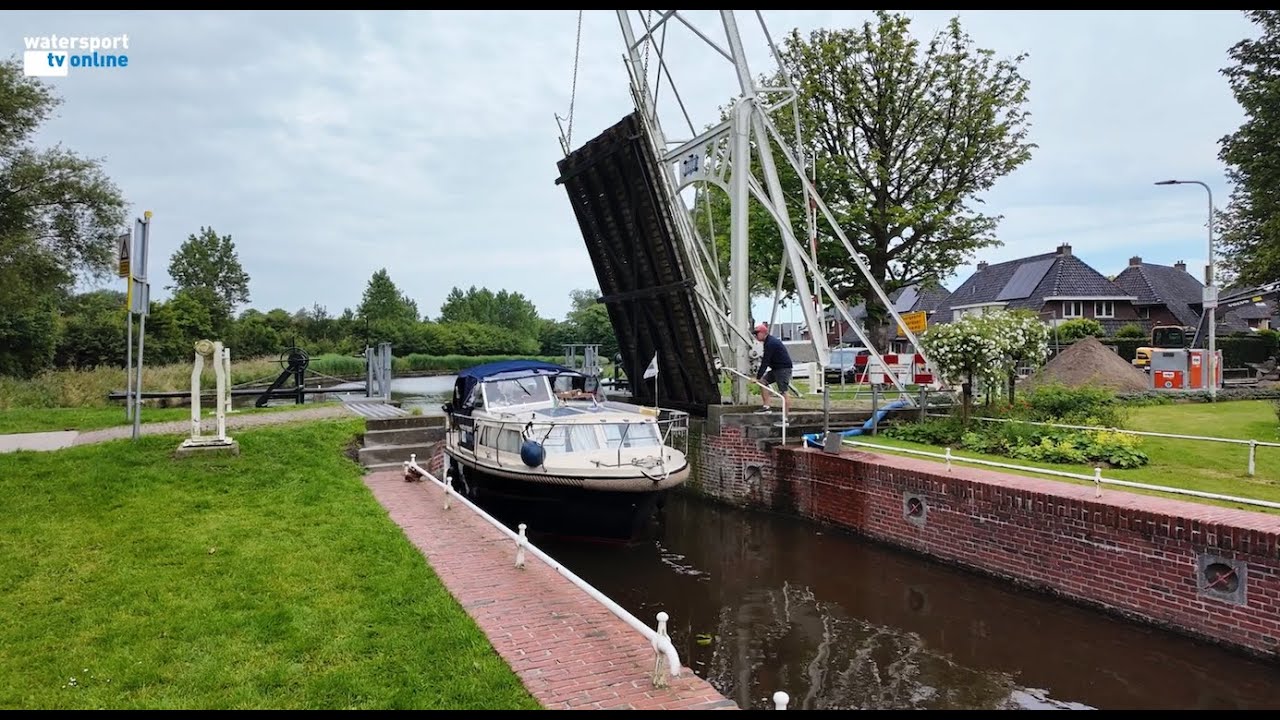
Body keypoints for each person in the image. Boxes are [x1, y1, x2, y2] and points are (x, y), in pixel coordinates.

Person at [753, 323, 792, 420]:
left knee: (783, 392)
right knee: (763, 382)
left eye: (757, 333)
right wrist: (759, 378)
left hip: (783, 369)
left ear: (763, 333)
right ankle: (766, 407)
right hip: (776, 369)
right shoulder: (767, 342)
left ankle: (785, 418)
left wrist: (757, 377)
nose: (755, 336)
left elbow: (765, 361)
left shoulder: (771, 343)